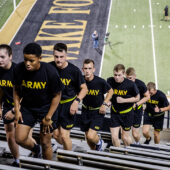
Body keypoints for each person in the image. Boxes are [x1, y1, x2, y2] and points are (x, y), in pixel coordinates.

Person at [13, 43, 63, 166]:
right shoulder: (19, 69)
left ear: (40, 58)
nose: (27, 63)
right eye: (25, 60)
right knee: (19, 138)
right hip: (28, 107)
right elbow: (16, 90)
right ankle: (36, 149)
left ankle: (47, 166)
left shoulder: (50, 72)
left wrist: (48, 117)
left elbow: (57, 95)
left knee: (45, 142)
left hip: (46, 109)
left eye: (31, 60)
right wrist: (17, 109)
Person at [51, 43, 88, 150]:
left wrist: (76, 102)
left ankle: (68, 159)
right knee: (56, 135)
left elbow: (84, 89)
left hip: (68, 105)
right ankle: (68, 148)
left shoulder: (74, 70)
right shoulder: (49, 67)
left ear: (66, 56)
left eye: (61, 57)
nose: (59, 60)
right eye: (56, 57)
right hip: (54, 106)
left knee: (64, 135)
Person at [81, 59, 113, 151]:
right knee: (88, 137)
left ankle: (100, 142)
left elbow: (111, 91)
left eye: (90, 68)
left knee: (91, 136)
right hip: (85, 110)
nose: (87, 71)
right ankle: (95, 152)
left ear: (94, 69)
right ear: (82, 69)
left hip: (97, 112)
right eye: (85, 68)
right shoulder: (81, 80)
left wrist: (104, 103)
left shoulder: (100, 82)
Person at [107, 64, 140, 147]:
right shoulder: (110, 81)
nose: (117, 77)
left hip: (127, 113)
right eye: (115, 75)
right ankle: (117, 155)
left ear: (124, 74)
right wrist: (108, 101)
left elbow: (137, 98)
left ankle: (128, 153)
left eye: (119, 75)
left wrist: (124, 100)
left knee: (125, 137)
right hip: (115, 112)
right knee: (114, 137)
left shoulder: (130, 84)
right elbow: (107, 93)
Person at [0, 44, 20, 167]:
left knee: (22, 137)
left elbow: (26, 95)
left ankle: (35, 149)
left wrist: (14, 110)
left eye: (2, 57)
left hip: (23, 106)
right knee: (9, 134)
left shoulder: (19, 71)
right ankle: (17, 160)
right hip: (8, 104)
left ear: (10, 57)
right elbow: (0, 90)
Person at [126, 67, 150, 144]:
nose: (128, 80)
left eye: (130, 78)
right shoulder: (124, 83)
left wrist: (137, 104)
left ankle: (137, 143)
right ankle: (127, 149)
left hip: (137, 111)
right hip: (126, 110)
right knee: (124, 133)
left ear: (134, 76)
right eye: (127, 78)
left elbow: (148, 96)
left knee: (135, 134)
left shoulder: (141, 84)